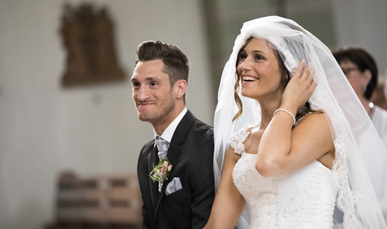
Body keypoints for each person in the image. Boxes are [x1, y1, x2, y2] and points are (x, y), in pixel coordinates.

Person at [204, 16, 387, 228]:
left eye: (259, 57)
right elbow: (217, 225)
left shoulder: (321, 124)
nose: (244, 65)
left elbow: (268, 163)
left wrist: (289, 103)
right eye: (243, 56)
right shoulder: (239, 144)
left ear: (288, 70)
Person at [131, 40, 215, 229]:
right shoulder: (146, 154)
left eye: (153, 84)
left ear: (179, 88)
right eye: (136, 85)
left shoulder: (207, 145)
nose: (141, 95)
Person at [334, 47, 387, 148]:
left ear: (366, 77)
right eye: (332, 74)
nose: (336, 78)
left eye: (344, 72)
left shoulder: (384, 122)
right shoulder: (329, 124)